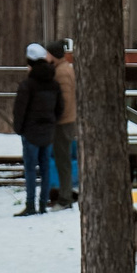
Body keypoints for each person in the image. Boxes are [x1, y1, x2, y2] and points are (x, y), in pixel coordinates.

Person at [11, 43, 62, 218]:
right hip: (47, 131)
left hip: (31, 132)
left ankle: (30, 203)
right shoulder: (54, 83)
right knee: (46, 167)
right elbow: (59, 107)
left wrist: (19, 128)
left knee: (31, 169)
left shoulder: (27, 84)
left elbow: (20, 109)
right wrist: (52, 121)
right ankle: (42, 204)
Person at [52, 39, 79, 206]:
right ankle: (66, 193)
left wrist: (57, 117)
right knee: (65, 160)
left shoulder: (61, 72)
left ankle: (65, 197)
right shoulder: (66, 68)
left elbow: (66, 99)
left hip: (64, 123)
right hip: (68, 120)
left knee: (63, 161)